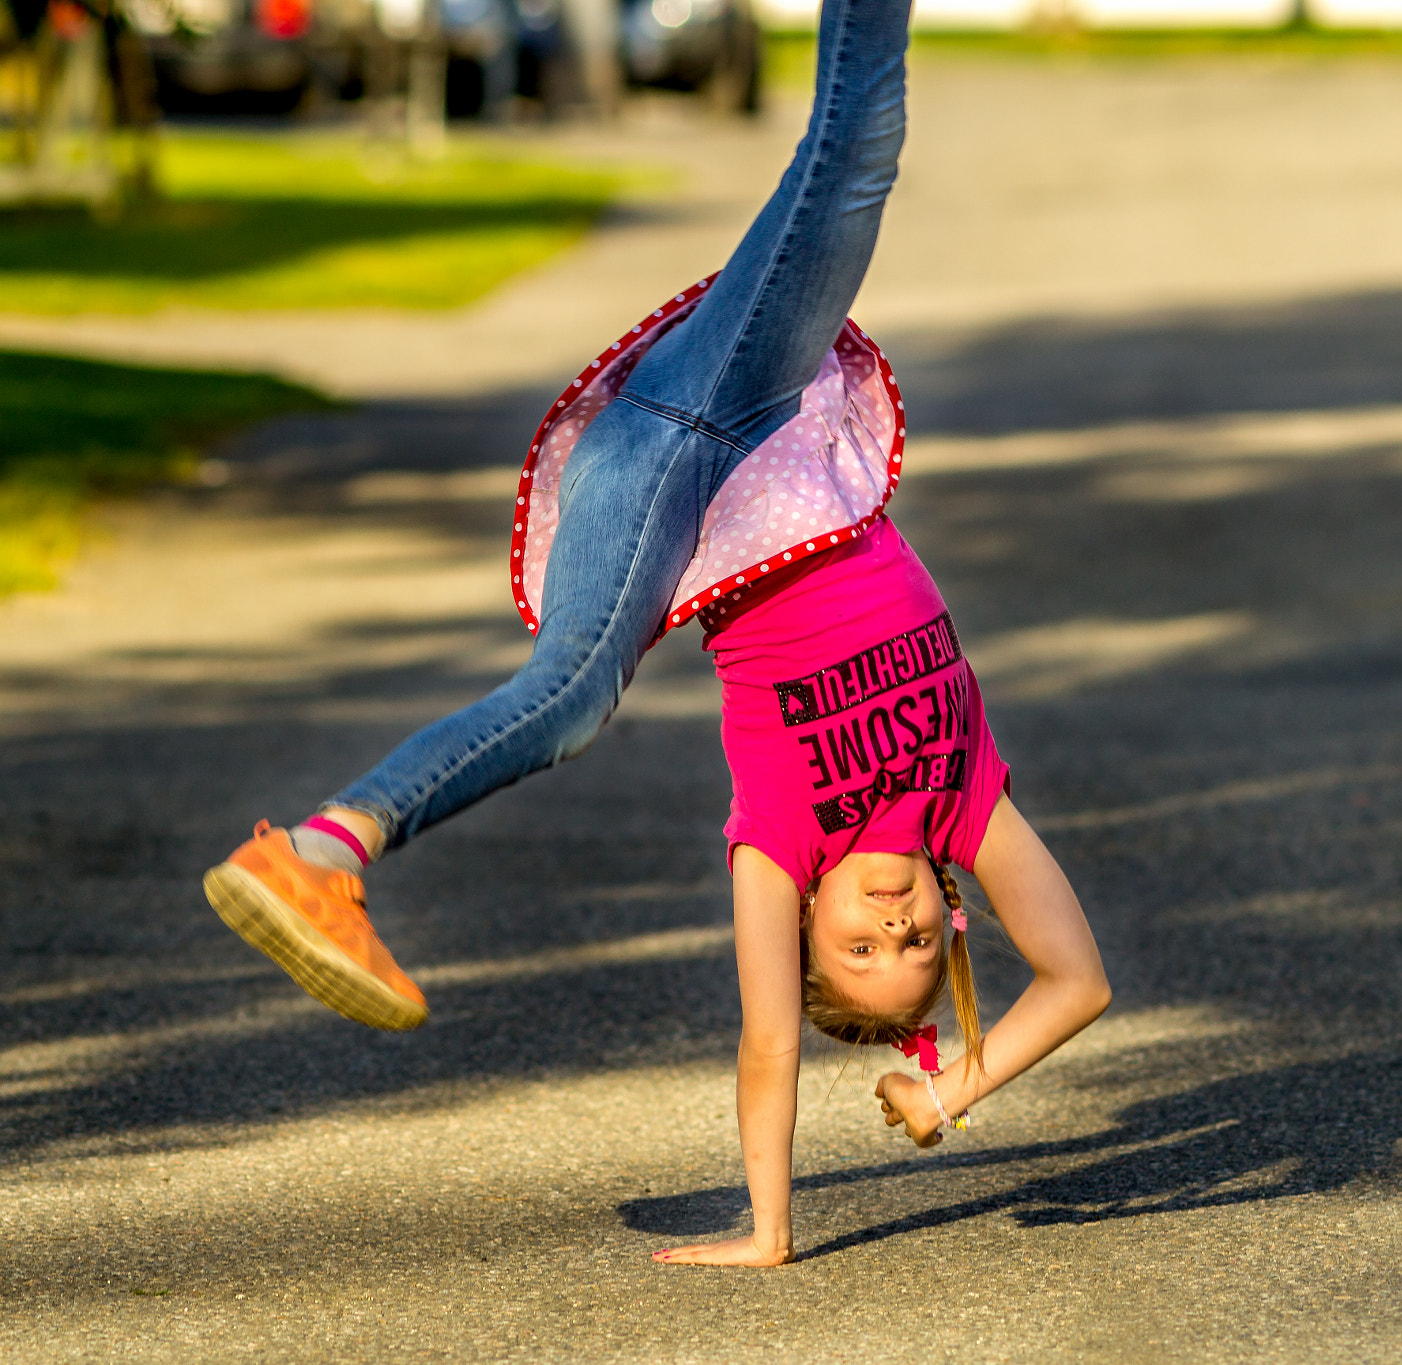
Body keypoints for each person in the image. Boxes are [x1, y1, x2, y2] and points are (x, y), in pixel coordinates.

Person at [203, 0, 1109, 1268]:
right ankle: (324, 848)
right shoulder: (961, 804)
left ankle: (321, 850)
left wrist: (771, 1231)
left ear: (807, 928)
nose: (892, 924)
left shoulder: (779, 846)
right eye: (913, 945)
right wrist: (952, 1082)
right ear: (949, 912)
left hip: (674, 465)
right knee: (850, 155)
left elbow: (767, 1043)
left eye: (860, 948)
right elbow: (1075, 980)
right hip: (738, 406)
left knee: (570, 697)